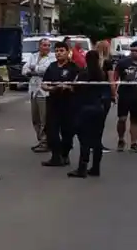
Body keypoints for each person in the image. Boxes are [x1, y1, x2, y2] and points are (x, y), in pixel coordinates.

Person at [68, 50, 108, 178]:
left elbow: (75, 88)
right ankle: (96, 168)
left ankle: (82, 168)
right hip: (98, 107)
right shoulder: (101, 74)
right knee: (97, 140)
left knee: (84, 140)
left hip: (84, 108)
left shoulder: (83, 74)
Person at [41, 41, 80, 167]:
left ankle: (65, 154)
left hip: (69, 103)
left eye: (61, 50)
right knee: (51, 130)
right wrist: (50, 88)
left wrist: (68, 87)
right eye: (56, 51)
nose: (58, 53)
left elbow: (79, 86)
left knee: (67, 131)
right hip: (53, 102)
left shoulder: (73, 67)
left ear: (68, 52)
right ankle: (55, 156)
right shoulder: (52, 66)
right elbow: (44, 83)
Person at [22, 37, 55, 153]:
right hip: (33, 90)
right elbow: (24, 69)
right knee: (35, 118)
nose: (47, 47)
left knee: (44, 118)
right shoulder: (33, 56)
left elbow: (45, 70)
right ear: (39, 46)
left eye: (48, 45)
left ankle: (46, 142)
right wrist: (31, 71)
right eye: (44, 45)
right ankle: (40, 140)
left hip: (44, 92)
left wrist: (33, 69)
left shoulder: (52, 57)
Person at [95, 40, 116, 153]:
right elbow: (111, 81)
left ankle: (91, 143)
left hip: (92, 94)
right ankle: (97, 144)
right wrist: (114, 94)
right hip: (104, 94)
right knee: (101, 121)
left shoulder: (91, 62)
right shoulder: (108, 63)